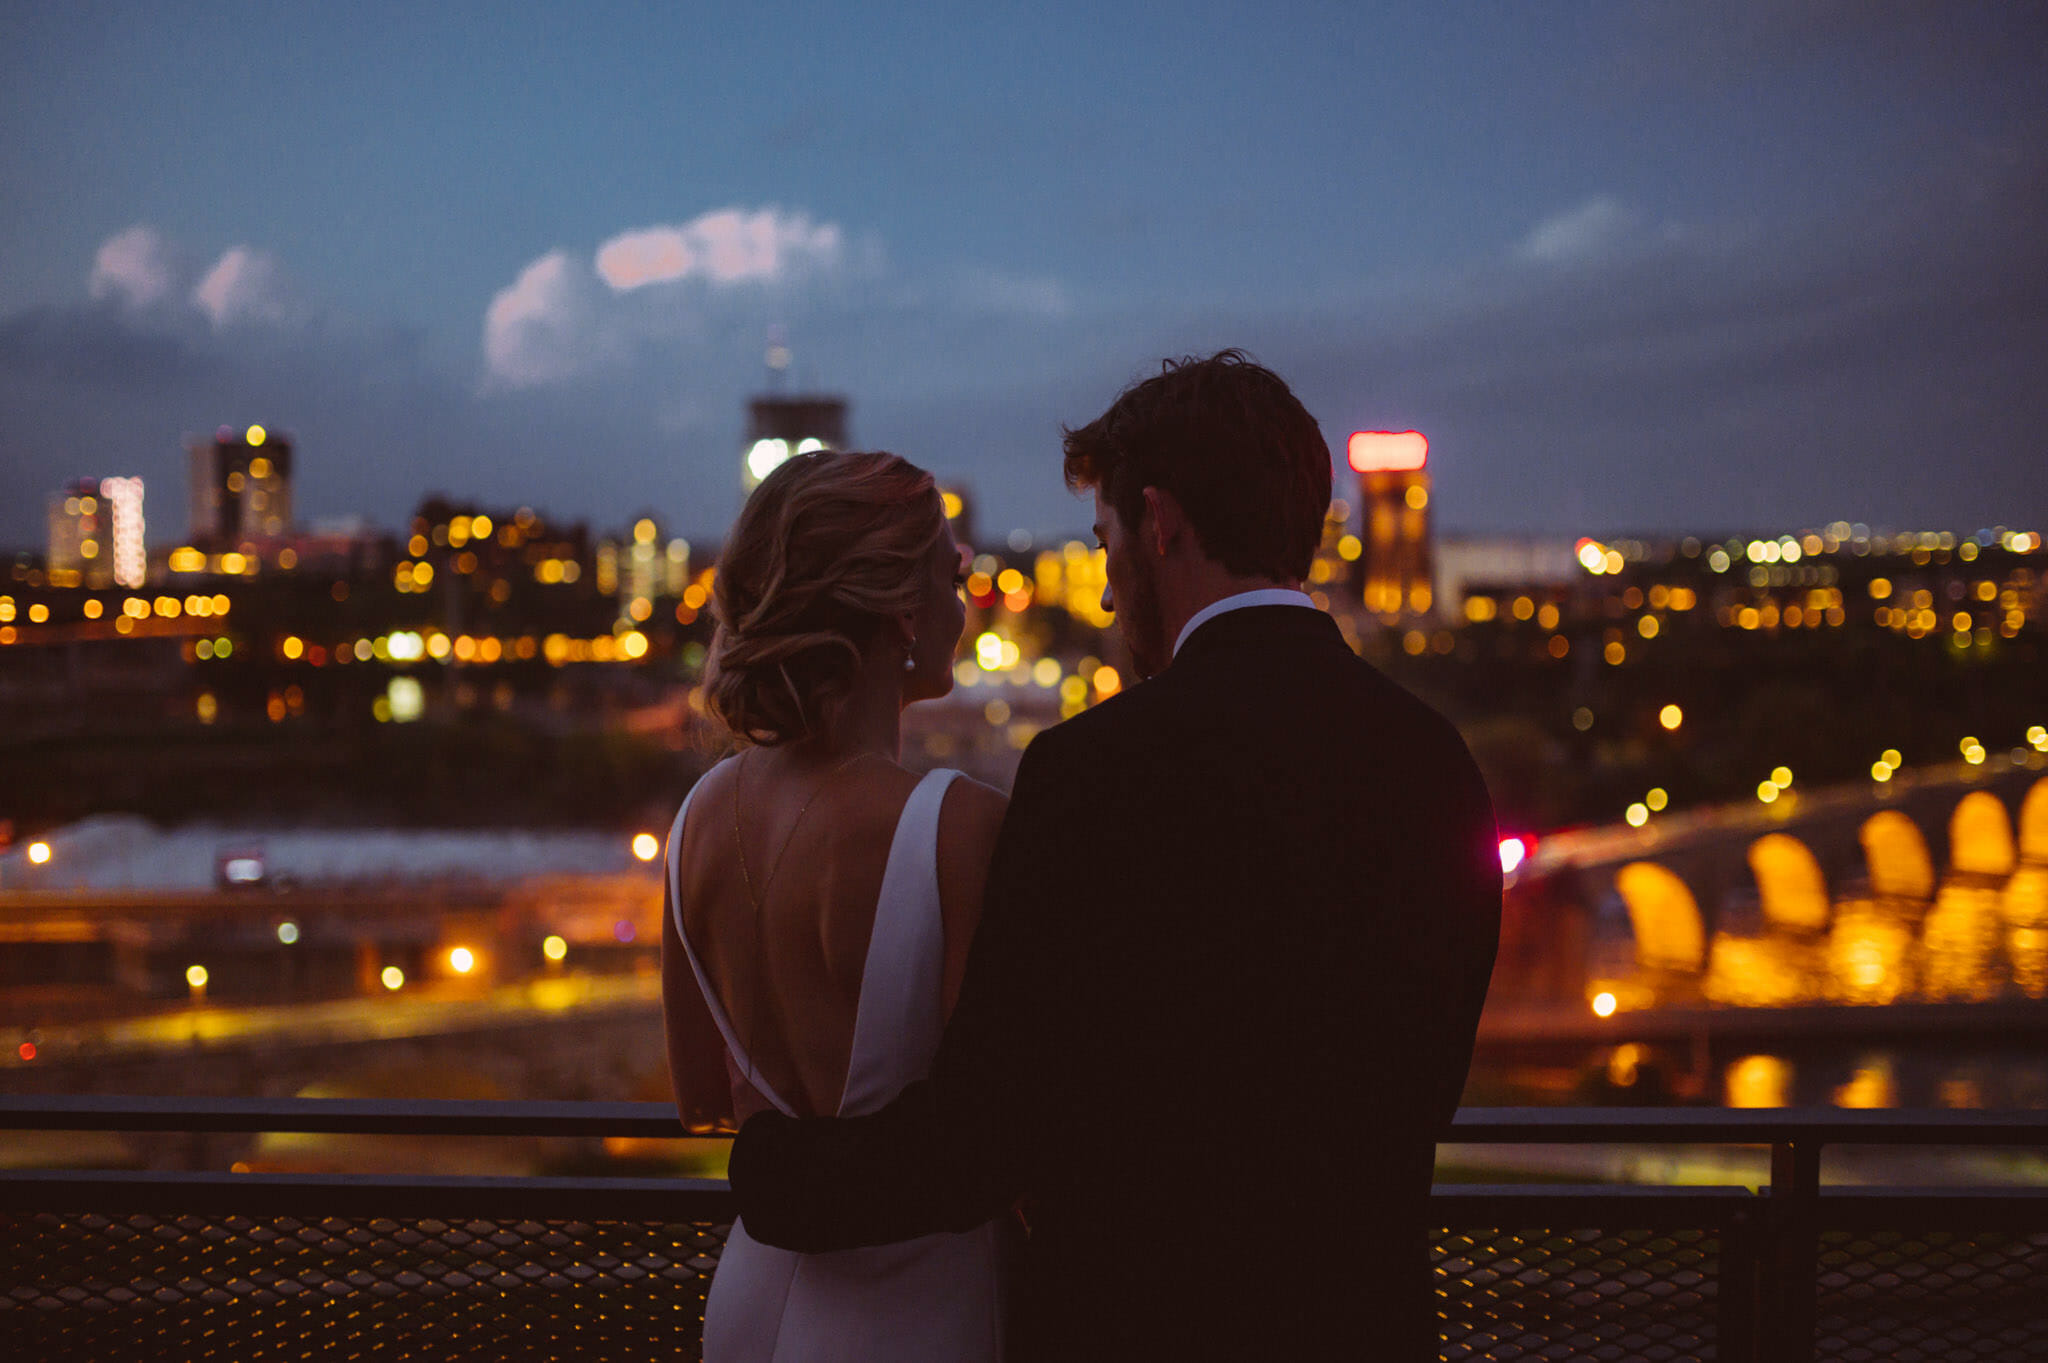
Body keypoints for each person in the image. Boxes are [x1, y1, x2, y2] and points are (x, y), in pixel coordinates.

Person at [729, 351, 1503, 1360]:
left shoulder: (1093, 774)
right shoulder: (1434, 762)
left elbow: (981, 1134)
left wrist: (771, 1171)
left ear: (1161, 524)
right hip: (1366, 1326)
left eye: (1104, 545)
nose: (1103, 595)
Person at [660, 449, 1013, 1360]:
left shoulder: (698, 816)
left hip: (753, 1291)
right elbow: (996, 1126)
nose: (965, 595)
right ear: (899, 604)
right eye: (955, 569)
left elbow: (703, 1094)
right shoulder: (956, 825)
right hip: (910, 1304)